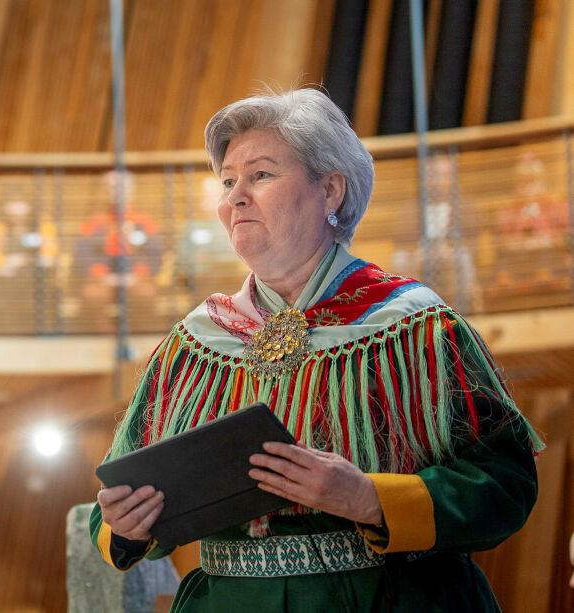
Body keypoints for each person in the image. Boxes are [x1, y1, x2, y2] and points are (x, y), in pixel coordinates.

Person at [90, 89, 541, 612]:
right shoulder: (192, 344)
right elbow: (116, 500)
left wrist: (369, 499)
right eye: (229, 181)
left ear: (330, 190)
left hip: (384, 598)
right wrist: (125, 525)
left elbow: (506, 482)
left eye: (260, 175)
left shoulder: (415, 326)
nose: (236, 197)